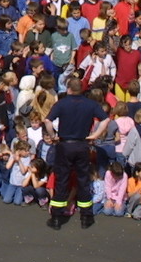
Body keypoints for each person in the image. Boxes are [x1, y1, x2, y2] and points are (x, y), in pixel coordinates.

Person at [45, 77, 108, 230]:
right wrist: (95, 134)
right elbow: (105, 119)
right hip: (82, 145)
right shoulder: (90, 104)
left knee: (62, 181)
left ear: (68, 89)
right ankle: (86, 217)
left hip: (65, 145)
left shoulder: (62, 103)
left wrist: (53, 136)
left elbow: (47, 121)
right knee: (83, 181)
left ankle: (56, 218)